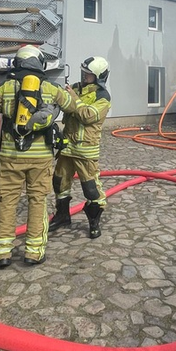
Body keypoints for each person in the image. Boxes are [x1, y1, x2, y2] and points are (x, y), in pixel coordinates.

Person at [0, 45, 79, 268]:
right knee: (37, 201)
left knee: (7, 201)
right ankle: (33, 253)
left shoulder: (5, 87)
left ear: (17, 63)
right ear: (40, 63)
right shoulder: (50, 88)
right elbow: (71, 106)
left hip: (9, 156)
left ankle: (3, 253)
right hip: (40, 157)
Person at [49, 56, 112, 239]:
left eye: (89, 75)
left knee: (91, 189)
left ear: (99, 77)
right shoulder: (75, 87)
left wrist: (74, 99)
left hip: (86, 150)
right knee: (59, 182)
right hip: (67, 146)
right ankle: (62, 216)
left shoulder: (102, 97)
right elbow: (64, 104)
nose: (84, 77)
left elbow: (87, 115)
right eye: (84, 73)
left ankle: (94, 223)